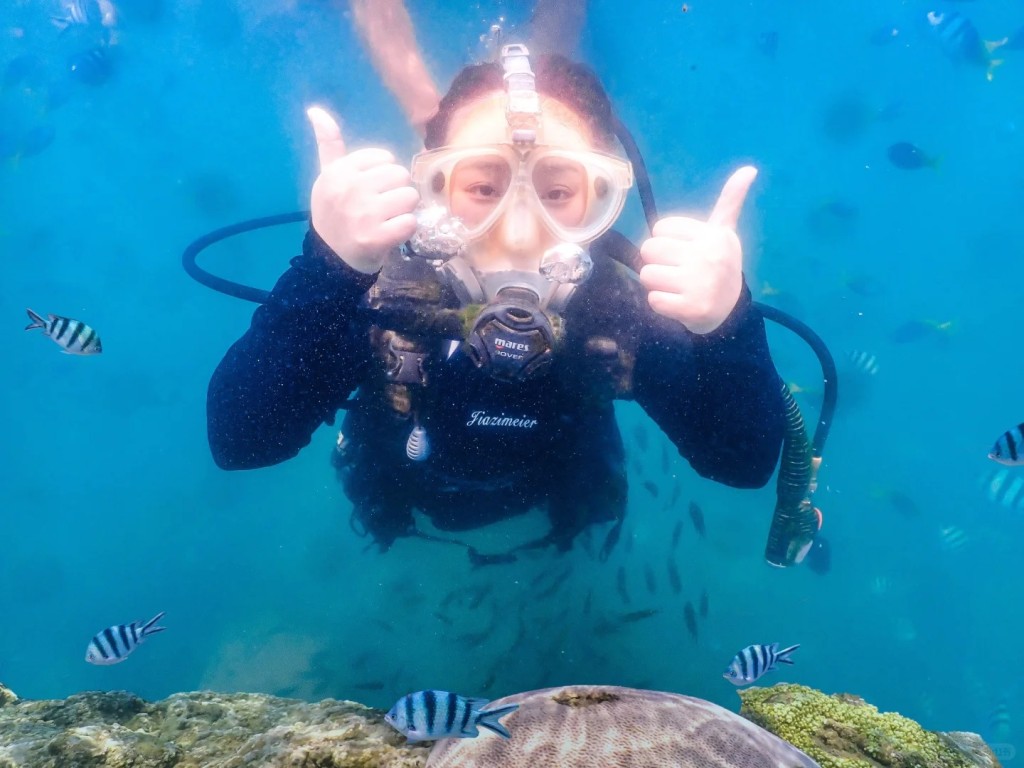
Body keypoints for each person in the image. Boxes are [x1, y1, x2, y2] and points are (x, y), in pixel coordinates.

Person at [206, 45, 787, 557]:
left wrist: (727, 324)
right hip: (401, 491)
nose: (517, 231)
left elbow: (742, 462)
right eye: (482, 187)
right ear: (433, 192)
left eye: (558, 192)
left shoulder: (613, 315)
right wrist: (326, 268)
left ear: (601, 202)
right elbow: (241, 442)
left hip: (559, 492)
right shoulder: (378, 296)